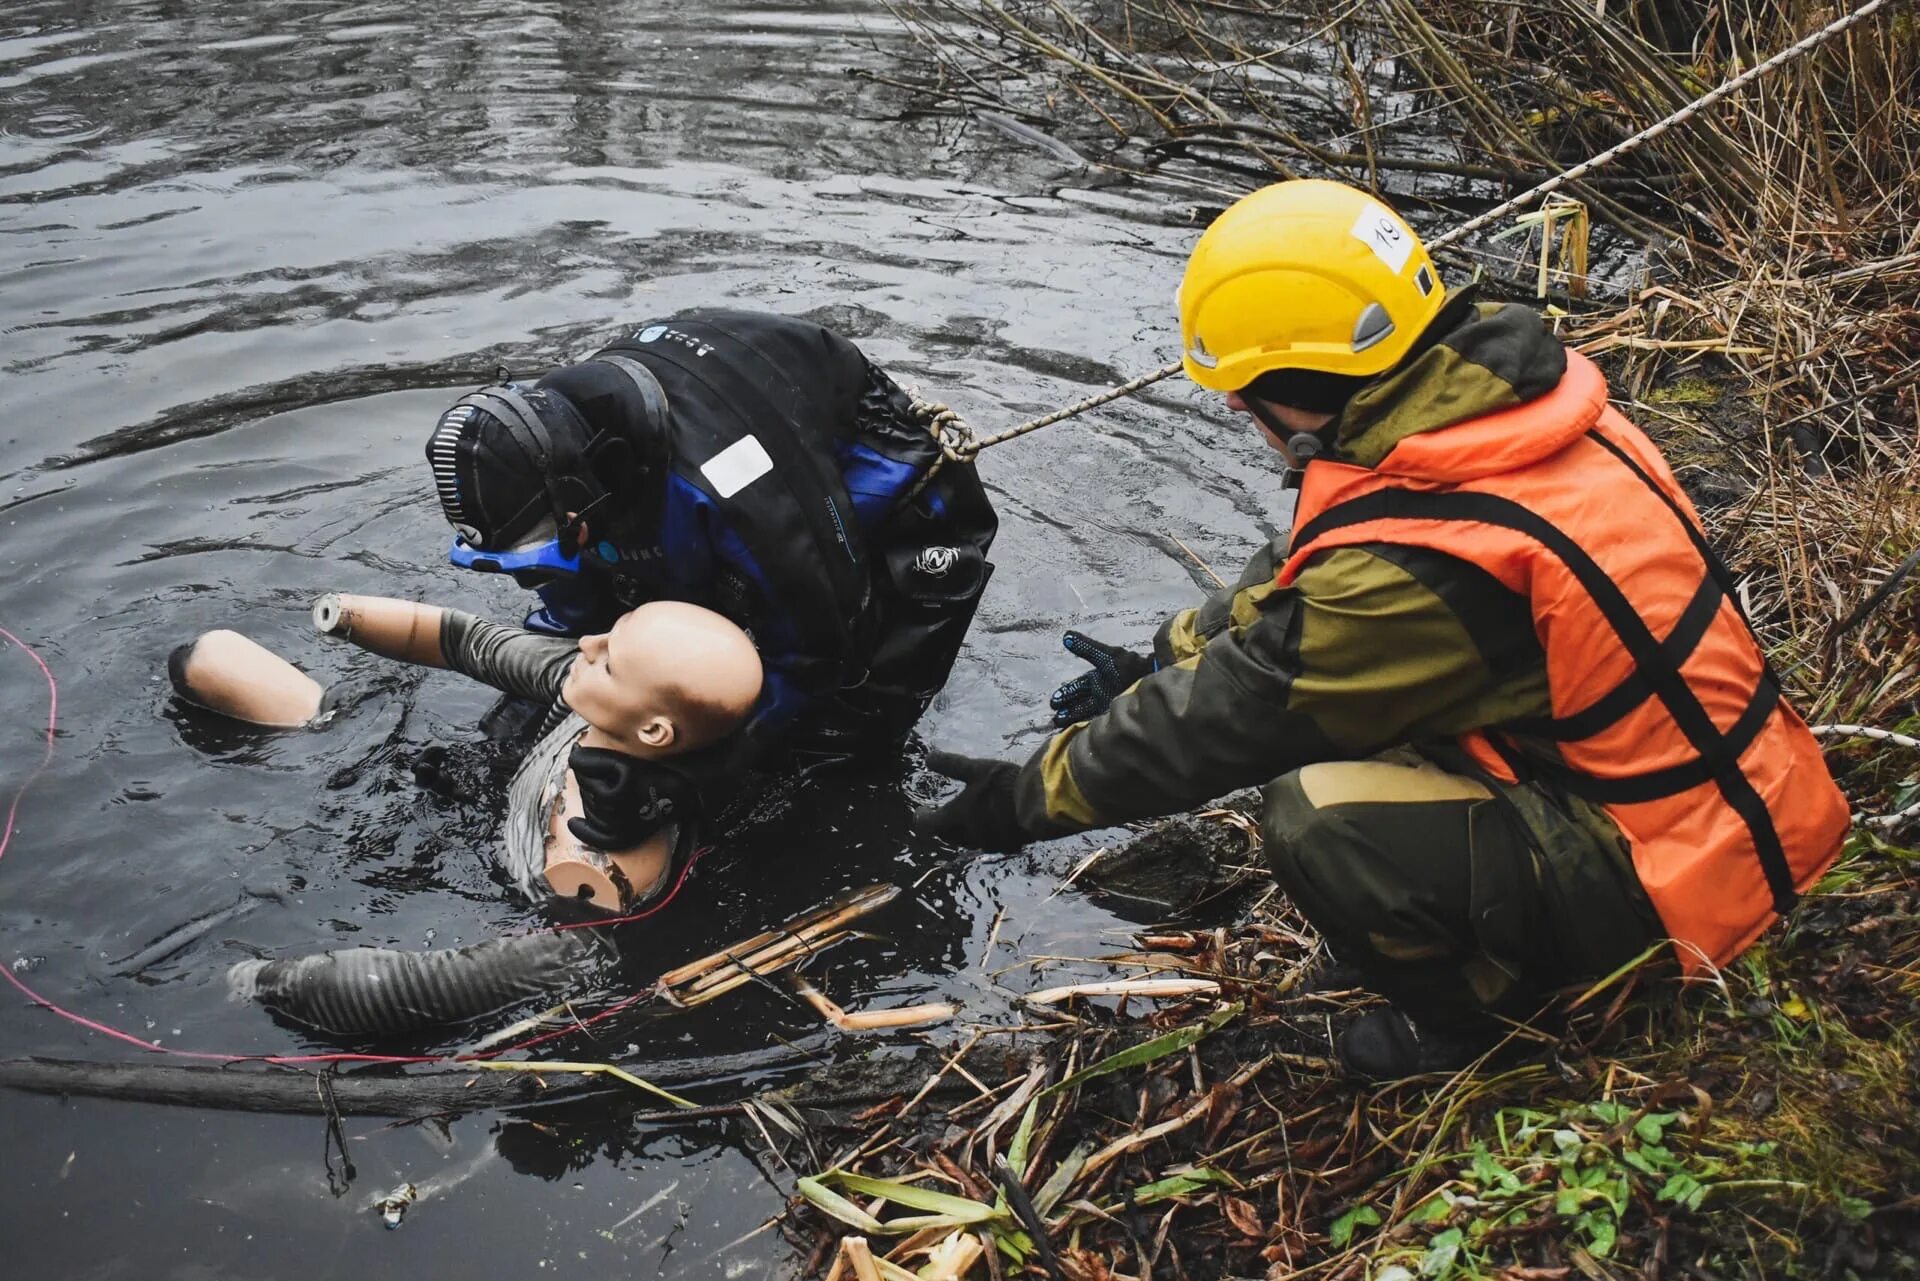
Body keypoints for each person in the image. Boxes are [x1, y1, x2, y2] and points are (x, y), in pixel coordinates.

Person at [912, 179, 1851, 1080]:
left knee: (1314, 812)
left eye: (1244, 388)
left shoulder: (1422, 568)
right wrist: (1161, 654)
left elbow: (1233, 716)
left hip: (1684, 882)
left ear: (1296, 381)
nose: (1236, 408)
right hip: (1743, 798)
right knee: (1350, 736)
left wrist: (1020, 799)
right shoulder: (1512, 414)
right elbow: (1309, 590)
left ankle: (1477, 1021)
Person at [425, 309, 998, 768]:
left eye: (548, 544)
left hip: (880, 487)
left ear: (582, 494)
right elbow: (581, 618)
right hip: (695, 467)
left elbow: (814, 651)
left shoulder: (738, 491)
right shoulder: (552, 439)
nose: (534, 571)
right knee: (642, 644)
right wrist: (509, 738)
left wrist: (696, 777)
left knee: (838, 733)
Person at [169, 598, 764, 1037]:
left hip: (509, 884)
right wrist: (341, 614)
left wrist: (251, 980)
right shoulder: (586, 688)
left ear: (655, 731)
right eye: (606, 633)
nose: (588, 645)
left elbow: (426, 989)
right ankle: (320, 719)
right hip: (483, 791)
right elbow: (464, 640)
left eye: (610, 659)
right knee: (207, 658)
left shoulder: (607, 891)